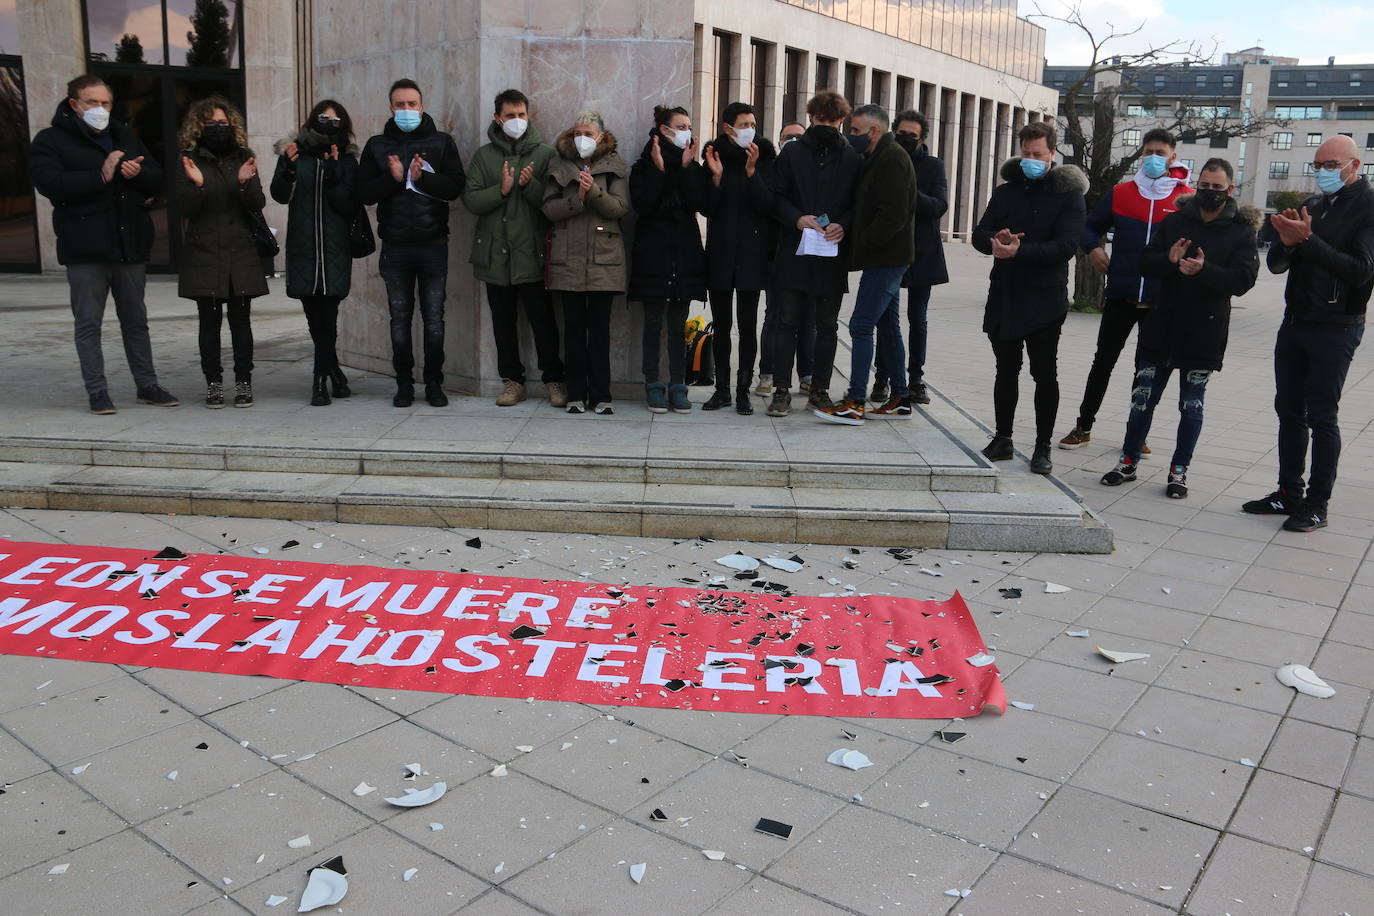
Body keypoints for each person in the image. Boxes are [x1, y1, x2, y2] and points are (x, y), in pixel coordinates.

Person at [1099, 159, 1260, 498]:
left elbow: (1244, 280)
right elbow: (1145, 262)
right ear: (1196, 186)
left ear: (1230, 190)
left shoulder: (1241, 231)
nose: (1210, 193)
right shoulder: (1174, 221)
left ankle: (1179, 471)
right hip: (1162, 324)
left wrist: (1204, 270)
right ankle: (1127, 461)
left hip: (1205, 331)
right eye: (1204, 186)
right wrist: (1168, 261)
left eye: (1217, 188)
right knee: (1142, 399)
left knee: (1191, 405)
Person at [1243, 134, 1374, 532]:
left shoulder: (1369, 207)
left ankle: (1317, 503)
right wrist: (1285, 243)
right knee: (1289, 412)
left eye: (1331, 165)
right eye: (1318, 165)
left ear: (1356, 165)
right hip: (1296, 321)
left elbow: (1361, 270)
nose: (1323, 172)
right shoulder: (1314, 204)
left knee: (1322, 416)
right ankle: (1288, 492)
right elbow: (1279, 265)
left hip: (1337, 325)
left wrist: (1309, 240)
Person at [29, 74, 178, 415]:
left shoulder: (123, 135)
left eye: (106, 103)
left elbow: (157, 177)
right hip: (85, 250)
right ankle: (97, 391)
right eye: (92, 102)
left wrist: (135, 175)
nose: (100, 109)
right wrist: (100, 175)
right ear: (74, 105)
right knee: (88, 323)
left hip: (129, 247)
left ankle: (147, 384)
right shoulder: (51, 140)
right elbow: (49, 183)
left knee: (136, 321)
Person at [1059, 128, 1190, 451]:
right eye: (1148, 152)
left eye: (1160, 152)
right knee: (1103, 362)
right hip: (1121, 294)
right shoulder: (1122, 193)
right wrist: (1093, 248)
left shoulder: (1185, 198)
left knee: (1145, 370)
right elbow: (1089, 226)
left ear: (1173, 156)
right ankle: (1083, 426)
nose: (1153, 158)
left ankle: (1137, 433)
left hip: (1160, 301)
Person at [972, 121, 1087, 475]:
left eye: (1038, 154)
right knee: (1005, 370)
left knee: (1044, 373)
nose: (1031, 160)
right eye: (1025, 154)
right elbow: (980, 235)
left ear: (1052, 153)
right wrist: (996, 238)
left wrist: (1021, 251)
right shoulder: (1006, 192)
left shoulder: (1068, 195)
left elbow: (1066, 246)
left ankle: (1042, 447)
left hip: (1044, 298)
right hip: (1005, 294)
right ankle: (1002, 438)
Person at [357, 79, 464, 408]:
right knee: (399, 319)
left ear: (422, 105)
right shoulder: (376, 145)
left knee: (434, 320)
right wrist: (392, 179)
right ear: (391, 108)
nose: (406, 110)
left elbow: (455, 186)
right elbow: (363, 193)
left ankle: (434, 383)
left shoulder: (442, 142)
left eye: (412, 104)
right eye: (400, 105)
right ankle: (403, 384)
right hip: (396, 247)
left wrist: (422, 178)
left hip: (433, 245)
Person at [462, 89, 566, 408]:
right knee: (502, 322)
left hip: (532, 255)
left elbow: (553, 203)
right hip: (495, 256)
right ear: (498, 118)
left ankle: (553, 380)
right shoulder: (484, 156)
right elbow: (471, 199)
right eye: (510, 115)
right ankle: (512, 381)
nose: (517, 121)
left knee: (543, 321)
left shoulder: (546, 154)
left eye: (521, 115)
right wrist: (502, 190)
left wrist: (528, 187)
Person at [815, 104, 916, 425]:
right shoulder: (880, 157)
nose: (851, 136)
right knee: (888, 328)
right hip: (887, 257)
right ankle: (900, 398)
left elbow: (893, 215)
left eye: (855, 131)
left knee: (860, 326)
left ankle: (855, 400)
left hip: (886, 258)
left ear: (874, 131)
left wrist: (865, 241)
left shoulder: (893, 159)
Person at [766, 90, 862, 417]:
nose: (827, 125)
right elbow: (775, 197)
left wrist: (843, 225)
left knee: (827, 325)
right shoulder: (791, 155)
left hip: (831, 252)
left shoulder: (851, 158)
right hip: (795, 249)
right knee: (787, 321)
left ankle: (819, 389)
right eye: (823, 120)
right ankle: (781, 388)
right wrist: (797, 217)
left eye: (831, 120)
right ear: (812, 119)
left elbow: (856, 204)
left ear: (840, 121)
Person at [175, 95, 269, 408]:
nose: (218, 128)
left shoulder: (244, 156)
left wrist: (244, 183)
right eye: (211, 123)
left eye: (223, 123)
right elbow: (184, 209)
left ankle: (244, 382)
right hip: (205, 253)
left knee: (241, 323)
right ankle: (213, 383)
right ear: (198, 126)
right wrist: (197, 185)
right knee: (209, 324)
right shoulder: (189, 159)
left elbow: (257, 204)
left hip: (240, 252)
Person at [271, 100, 359, 406]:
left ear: (343, 125)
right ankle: (334, 371)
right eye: (323, 118)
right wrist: (289, 168)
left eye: (335, 120)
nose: (328, 124)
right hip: (304, 247)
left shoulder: (347, 160)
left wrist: (335, 177)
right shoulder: (296, 152)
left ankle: (319, 379)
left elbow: (349, 206)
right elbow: (278, 195)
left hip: (335, 248)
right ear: (312, 120)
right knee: (313, 316)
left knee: (329, 316)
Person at [542, 110, 630, 415]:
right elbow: (548, 209)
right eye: (578, 133)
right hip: (568, 259)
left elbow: (619, 208)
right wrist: (576, 199)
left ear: (602, 137)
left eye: (589, 134)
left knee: (600, 331)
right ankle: (576, 394)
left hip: (604, 261)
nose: (583, 139)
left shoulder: (615, 166)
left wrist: (591, 191)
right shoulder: (559, 164)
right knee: (574, 331)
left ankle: (602, 395)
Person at [628, 104, 708, 414]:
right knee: (652, 323)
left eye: (689, 125)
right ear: (664, 130)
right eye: (681, 125)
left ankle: (679, 385)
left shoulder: (692, 166)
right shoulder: (643, 167)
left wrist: (688, 169)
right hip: (653, 257)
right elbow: (644, 206)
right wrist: (660, 171)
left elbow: (701, 205)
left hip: (684, 257)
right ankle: (653, 384)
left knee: (678, 325)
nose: (688, 131)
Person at [701, 101, 775, 415]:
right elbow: (706, 207)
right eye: (743, 124)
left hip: (752, 253)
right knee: (721, 323)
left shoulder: (765, 155)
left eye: (752, 124)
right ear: (727, 128)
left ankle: (743, 390)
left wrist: (751, 172)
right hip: (720, 251)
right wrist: (716, 179)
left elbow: (767, 204)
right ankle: (722, 390)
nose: (749, 130)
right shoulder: (713, 155)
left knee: (747, 325)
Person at [871, 109, 947, 406]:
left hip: (922, 252)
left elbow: (938, 205)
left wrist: (907, 192)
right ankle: (882, 378)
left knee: (918, 318)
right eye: (901, 134)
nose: (905, 139)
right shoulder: (883, 160)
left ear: (922, 138)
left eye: (912, 136)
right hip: (889, 250)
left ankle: (915, 379)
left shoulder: (933, 166)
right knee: (884, 317)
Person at [757, 121, 811, 397]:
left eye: (797, 137)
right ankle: (767, 373)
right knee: (775, 316)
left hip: (808, 255)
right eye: (787, 137)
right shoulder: (771, 171)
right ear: (778, 142)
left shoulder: (810, 174)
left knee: (807, 319)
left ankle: (808, 374)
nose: (791, 141)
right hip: (775, 256)